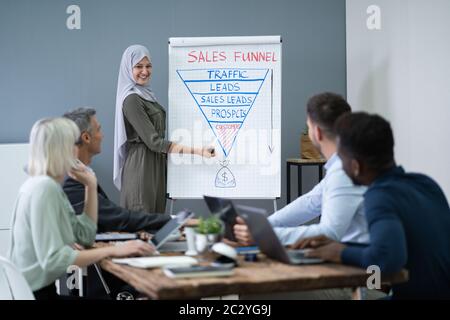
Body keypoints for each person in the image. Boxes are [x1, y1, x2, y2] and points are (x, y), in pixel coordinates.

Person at [295, 112, 450, 299]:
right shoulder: (425, 183)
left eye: (341, 160)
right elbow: (392, 249)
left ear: (355, 166)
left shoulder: (379, 196)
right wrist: (340, 245)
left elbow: (386, 260)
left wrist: (341, 253)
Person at [8, 117, 155, 299]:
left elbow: (85, 235)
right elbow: (54, 261)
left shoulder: (46, 185)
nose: (77, 150)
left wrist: (90, 187)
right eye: (74, 144)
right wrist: (114, 250)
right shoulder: (44, 189)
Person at [233, 92, 369, 246]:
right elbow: (310, 202)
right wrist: (262, 226)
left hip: (360, 262)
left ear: (316, 132)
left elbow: (329, 233)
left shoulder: (344, 171)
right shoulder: (343, 165)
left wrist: (263, 234)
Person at [114, 44, 215, 213]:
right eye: (138, 66)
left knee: (155, 226)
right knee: (143, 227)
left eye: (148, 66)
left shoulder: (147, 96)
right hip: (141, 169)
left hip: (156, 168)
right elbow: (154, 142)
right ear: (127, 68)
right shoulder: (131, 99)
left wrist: (170, 180)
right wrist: (198, 151)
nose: (145, 71)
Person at [63, 107, 170, 234]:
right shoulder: (73, 181)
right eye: (98, 130)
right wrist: (174, 220)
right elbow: (118, 218)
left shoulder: (80, 174)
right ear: (86, 137)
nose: (102, 136)